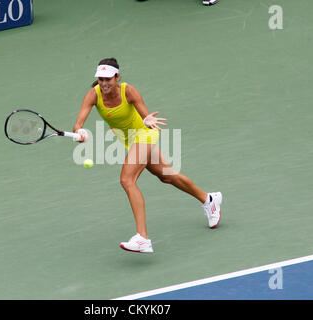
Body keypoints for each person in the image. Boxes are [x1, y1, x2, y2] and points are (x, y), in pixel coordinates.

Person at [73, 58, 223, 253]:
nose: (103, 83)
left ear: (117, 77)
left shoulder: (129, 91)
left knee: (127, 180)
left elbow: (145, 115)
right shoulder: (93, 95)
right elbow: (78, 123)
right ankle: (209, 200)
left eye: (108, 79)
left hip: (145, 134)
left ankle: (142, 238)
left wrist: (148, 118)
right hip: (129, 140)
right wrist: (80, 132)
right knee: (167, 176)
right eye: (100, 79)